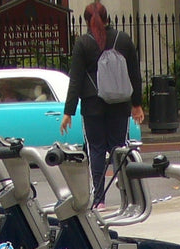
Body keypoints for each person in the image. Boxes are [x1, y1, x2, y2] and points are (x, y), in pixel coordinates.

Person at [60, 2, 143, 210]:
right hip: (119, 104)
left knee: (96, 151)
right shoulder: (123, 40)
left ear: (88, 22)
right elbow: (134, 74)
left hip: (92, 105)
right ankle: (128, 196)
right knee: (119, 149)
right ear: (108, 18)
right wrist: (137, 104)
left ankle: (99, 200)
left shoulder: (83, 44)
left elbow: (76, 79)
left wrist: (68, 112)